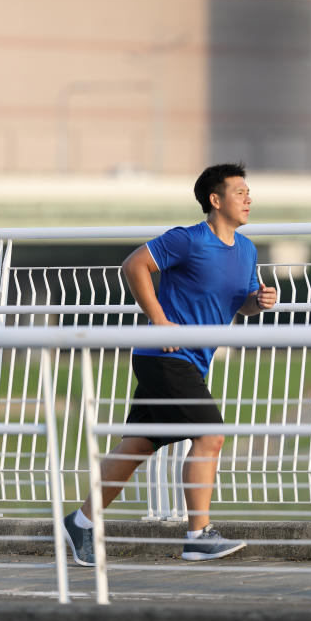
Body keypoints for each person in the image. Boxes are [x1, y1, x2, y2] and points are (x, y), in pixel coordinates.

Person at [63, 162, 277, 565]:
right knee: (210, 435)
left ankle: (81, 523)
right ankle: (198, 535)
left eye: (249, 192)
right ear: (215, 200)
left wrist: (259, 303)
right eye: (239, 192)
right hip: (164, 356)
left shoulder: (246, 249)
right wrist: (160, 322)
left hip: (192, 362)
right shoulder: (188, 240)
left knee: (138, 445)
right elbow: (134, 265)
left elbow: (243, 304)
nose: (248, 199)